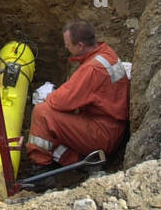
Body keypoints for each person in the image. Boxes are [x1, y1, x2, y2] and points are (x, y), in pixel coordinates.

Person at [26, 20, 129, 169]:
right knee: (55, 125)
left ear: (80, 46)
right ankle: (82, 161)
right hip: (113, 127)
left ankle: (41, 168)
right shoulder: (106, 53)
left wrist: (47, 96)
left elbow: (61, 102)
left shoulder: (92, 69)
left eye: (68, 45)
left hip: (102, 134)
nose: (66, 47)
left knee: (42, 114)